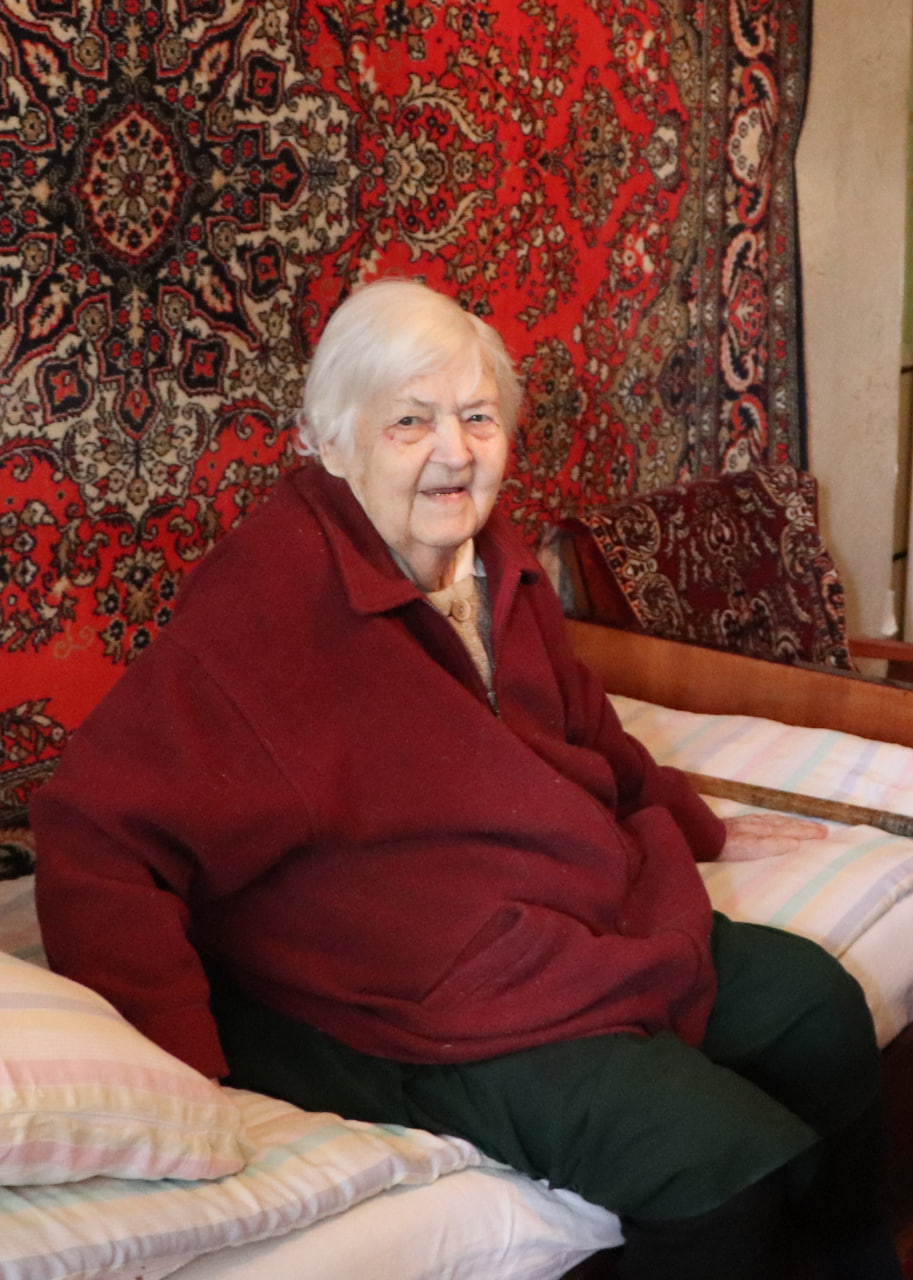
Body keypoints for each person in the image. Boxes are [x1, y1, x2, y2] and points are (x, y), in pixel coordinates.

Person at [32, 278, 901, 1280]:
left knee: (816, 1011)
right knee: (714, 1166)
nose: (455, 451)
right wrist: (179, 1070)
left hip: (553, 918)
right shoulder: (265, 605)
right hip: (391, 989)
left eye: (477, 417)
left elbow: (579, 723)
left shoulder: (489, 562)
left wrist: (692, 821)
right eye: (410, 421)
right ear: (331, 442)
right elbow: (95, 830)